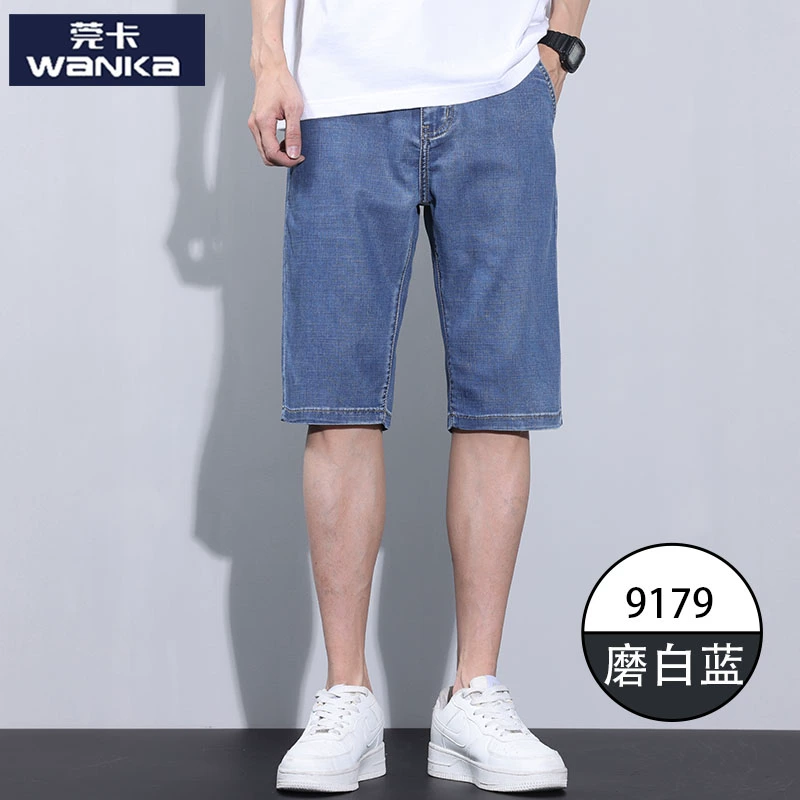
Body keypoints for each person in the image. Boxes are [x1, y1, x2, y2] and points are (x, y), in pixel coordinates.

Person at [248, 0, 591, 792]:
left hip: (500, 89)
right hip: (340, 95)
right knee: (337, 402)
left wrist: (558, 48)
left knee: (500, 401)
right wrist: (269, 59)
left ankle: (475, 693)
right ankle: (347, 697)